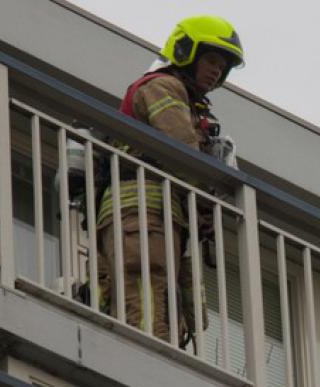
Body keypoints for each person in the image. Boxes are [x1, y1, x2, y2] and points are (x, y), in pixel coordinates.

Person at [95, 15, 244, 345]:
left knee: (164, 305)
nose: (216, 71)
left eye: (222, 67)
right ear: (186, 51)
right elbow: (183, 153)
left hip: (157, 217)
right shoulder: (162, 87)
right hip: (141, 212)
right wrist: (209, 194)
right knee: (146, 303)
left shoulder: (190, 104)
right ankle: (148, 360)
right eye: (211, 60)